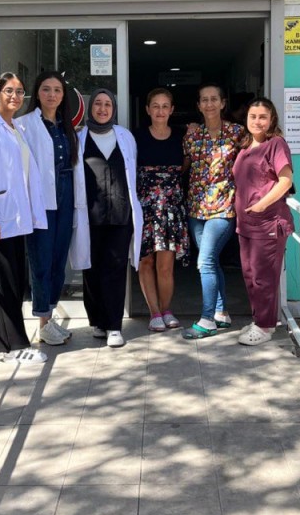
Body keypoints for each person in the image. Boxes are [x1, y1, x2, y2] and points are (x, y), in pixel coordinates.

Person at [0, 72, 49, 364]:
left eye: (19, 92)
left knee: (10, 280)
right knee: (5, 284)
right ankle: (14, 347)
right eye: (9, 91)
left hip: (15, 220)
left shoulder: (15, 129)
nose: (15, 96)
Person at [17, 71, 89, 346]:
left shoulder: (66, 126)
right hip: (41, 200)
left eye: (57, 90)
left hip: (66, 195)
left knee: (59, 261)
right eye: (46, 89)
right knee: (41, 261)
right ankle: (42, 322)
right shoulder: (24, 125)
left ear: (63, 95)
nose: (52, 95)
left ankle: (49, 318)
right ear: (37, 93)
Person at [78, 88, 143, 348]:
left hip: (120, 214)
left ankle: (114, 326)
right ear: (90, 107)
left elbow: (132, 170)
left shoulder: (125, 137)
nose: (102, 109)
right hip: (90, 216)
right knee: (91, 269)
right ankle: (98, 321)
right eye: (98, 103)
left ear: (113, 108)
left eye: (107, 104)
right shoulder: (79, 138)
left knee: (115, 270)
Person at [182, 83, 243, 339]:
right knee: (211, 260)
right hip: (196, 208)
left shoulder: (237, 133)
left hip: (224, 207)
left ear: (222, 103)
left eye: (214, 99)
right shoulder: (192, 136)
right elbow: (184, 167)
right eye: (204, 100)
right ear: (198, 105)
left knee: (205, 261)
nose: (209, 104)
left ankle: (207, 319)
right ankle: (221, 312)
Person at [233, 97, 295, 345]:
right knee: (250, 275)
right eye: (253, 116)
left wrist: (261, 205)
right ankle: (259, 320)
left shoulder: (276, 144)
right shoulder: (247, 145)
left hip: (268, 222)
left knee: (264, 277)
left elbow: (286, 181)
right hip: (246, 224)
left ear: (271, 120)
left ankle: (266, 326)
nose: (257, 121)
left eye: (263, 117)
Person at [134, 87, 188, 331]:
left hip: (170, 209)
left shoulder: (181, 137)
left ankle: (166, 310)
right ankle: (154, 313)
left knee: (165, 266)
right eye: (155, 106)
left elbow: (186, 165)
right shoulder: (135, 137)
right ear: (147, 109)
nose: (160, 111)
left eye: (165, 106)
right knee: (146, 262)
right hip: (144, 207)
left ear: (172, 109)